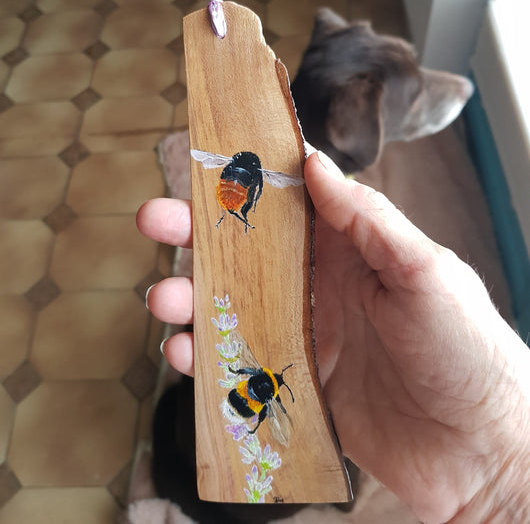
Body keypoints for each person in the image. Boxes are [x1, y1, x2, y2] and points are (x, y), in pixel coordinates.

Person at [137, 150, 530, 524]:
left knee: (190, 371)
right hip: (261, 473)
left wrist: (506, 470)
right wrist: (504, 469)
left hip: (238, 469)